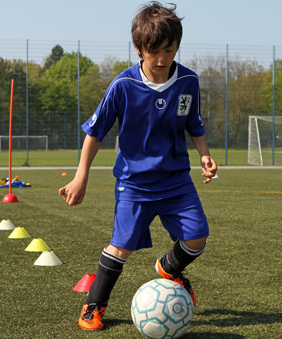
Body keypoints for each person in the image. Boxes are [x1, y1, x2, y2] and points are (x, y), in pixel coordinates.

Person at [59, 1, 217, 331]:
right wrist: (80, 176)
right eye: (154, 51)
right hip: (134, 183)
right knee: (123, 245)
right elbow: (95, 132)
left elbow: (194, 124)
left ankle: (169, 268)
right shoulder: (123, 86)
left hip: (176, 179)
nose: (161, 59)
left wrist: (203, 154)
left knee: (197, 236)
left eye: (169, 50)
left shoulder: (188, 81)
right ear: (138, 48)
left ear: (178, 47)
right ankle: (93, 305)